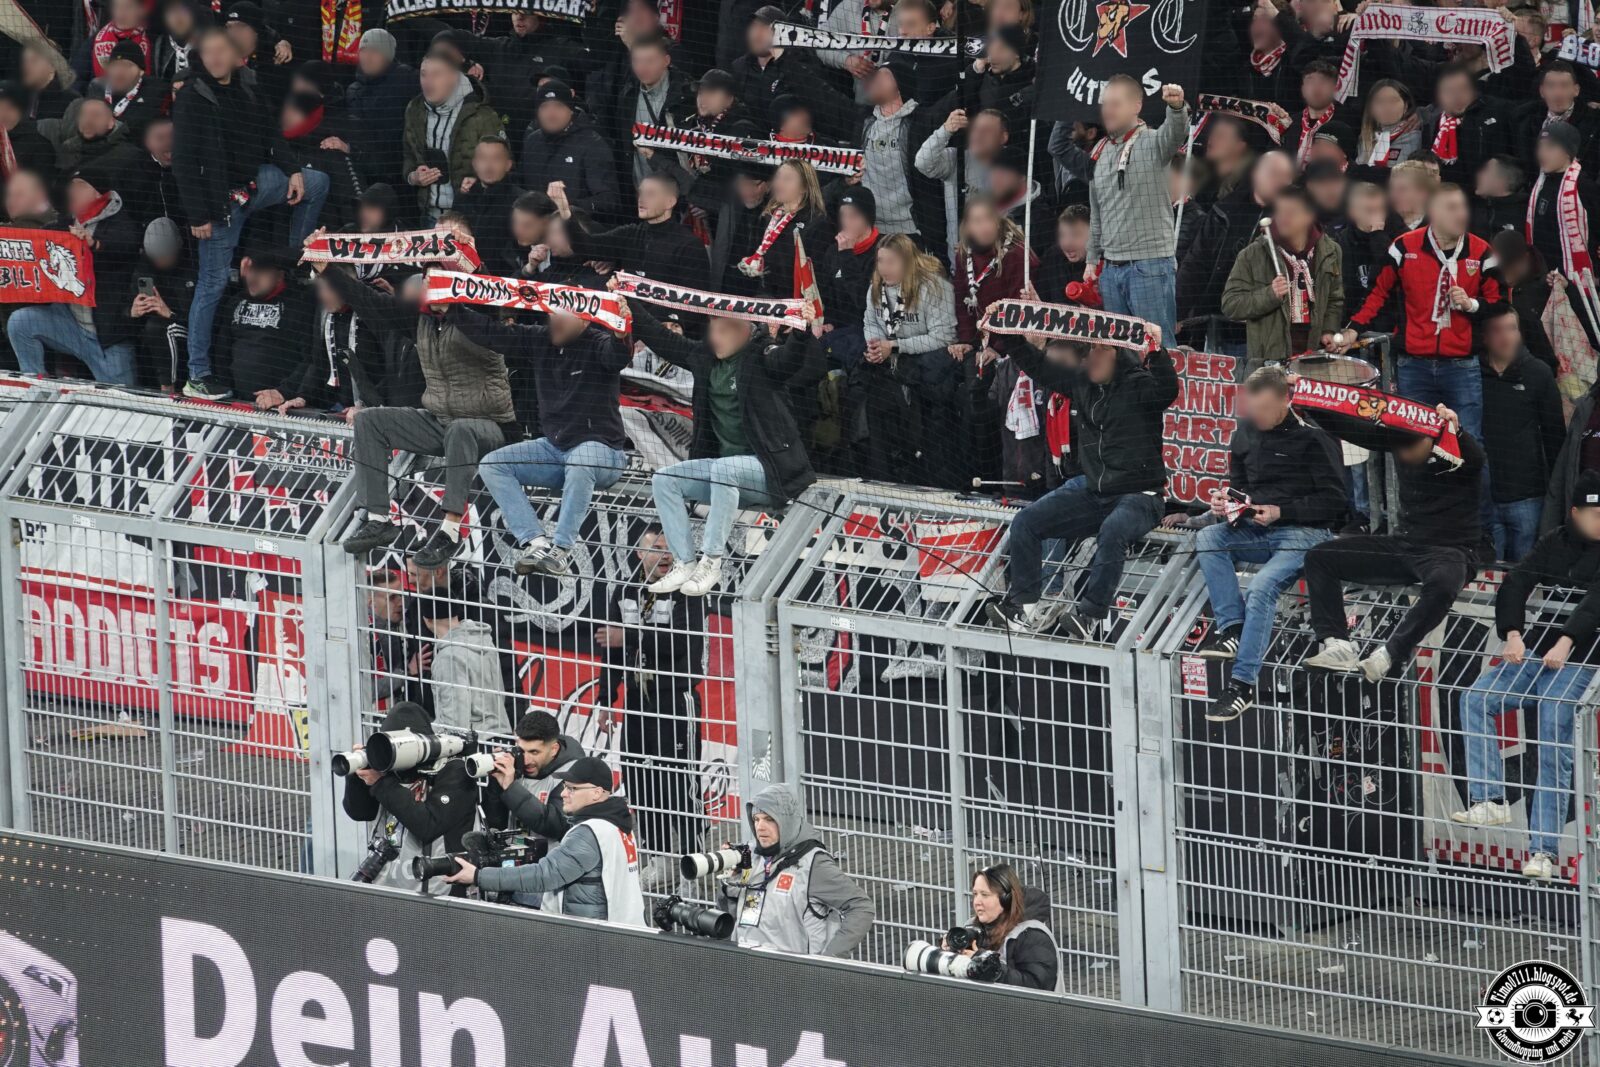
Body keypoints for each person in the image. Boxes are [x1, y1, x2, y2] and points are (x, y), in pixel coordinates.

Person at [311, 222, 518, 569]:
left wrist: (472, 261)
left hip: (489, 427)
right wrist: (328, 269)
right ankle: (378, 518)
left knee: (462, 429)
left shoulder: (479, 316)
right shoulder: (418, 319)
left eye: (440, 278)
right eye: (428, 278)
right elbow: (370, 301)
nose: (431, 285)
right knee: (371, 421)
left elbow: (487, 291)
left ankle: (450, 531)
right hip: (439, 421)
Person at [986, 317, 1178, 637]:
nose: (1091, 357)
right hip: (1093, 492)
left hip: (1140, 495)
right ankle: (1024, 607)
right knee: (1026, 522)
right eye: (1089, 351)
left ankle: (1089, 613)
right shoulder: (1081, 381)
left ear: (1117, 353)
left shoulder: (1140, 383)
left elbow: (1168, 389)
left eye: (1100, 351)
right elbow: (1037, 366)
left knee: (1113, 529)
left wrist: (1157, 350)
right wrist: (1009, 332)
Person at [1451, 471, 1600, 880]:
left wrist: (1567, 642)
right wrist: (1513, 634)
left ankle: (1544, 852)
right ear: (1575, 513)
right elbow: (1516, 581)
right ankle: (1491, 799)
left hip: (1587, 654)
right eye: (1595, 513)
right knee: (1476, 698)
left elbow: (1595, 603)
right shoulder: (1556, 540)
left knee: (1552, 726)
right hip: (1540, 645)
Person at [172, 26, 329, 400]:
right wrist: (198, 217)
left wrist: (292, 171)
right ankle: (198, 375)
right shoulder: (193, 97)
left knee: (317, 182)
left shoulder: (248, 84)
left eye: (219, 50)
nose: (213, 58)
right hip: (219, 206)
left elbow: (271, 136)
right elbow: (182, 163)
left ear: (234, 53)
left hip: (254, 186)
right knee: (210, 285)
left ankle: (297, 263)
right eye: (207, 51)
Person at [627, 294, 819, 594]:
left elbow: (788, 362)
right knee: (666, 480)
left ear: (743, 330)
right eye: (711, 329)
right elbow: (659, 336)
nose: (714, 337)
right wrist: (627, 300)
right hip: (726, 476)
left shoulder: (761, 354)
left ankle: (711, 561)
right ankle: (684, 563)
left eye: (722, 330)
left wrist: (801, 329)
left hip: (770, 472)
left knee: (724, 470)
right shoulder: (704, 357)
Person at [1193, 366, 1347, 722]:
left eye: (1264, 410)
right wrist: (1225, 503)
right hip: (1256, 528)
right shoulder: (1244, 433)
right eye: (1252, 409)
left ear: (1285, 401)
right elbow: (1239, 486)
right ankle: (1231, 630)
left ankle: (1241, 686)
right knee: (1207, 537)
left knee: (1262, 586)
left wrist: (1283, 511)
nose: (1256, 417)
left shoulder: (1316, 438)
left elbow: (1336, 505)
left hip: (1306, 533)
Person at [1302, 404, 1487, 682]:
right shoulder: (1400, 442)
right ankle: (1337, 644)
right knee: (1320, 557)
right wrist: (1308, 402)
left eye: (1410, 446)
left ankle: (1390, 653)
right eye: (1398, 447)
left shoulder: (1459, 455)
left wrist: (1456, 431)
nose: (1402, 453)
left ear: (1431, 437)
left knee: (1444, 584)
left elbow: (1477, 456)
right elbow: (1353, 430)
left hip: (1451, 549)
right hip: (1405, 544)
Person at [457, 306, 632, 578]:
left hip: (605, 453)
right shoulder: (541, 338)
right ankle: (536, 543)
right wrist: (452, 309)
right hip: (556, 450)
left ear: (584, 319)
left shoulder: (598, 343)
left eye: (563, 316)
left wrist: (622, 336)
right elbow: (493, 334)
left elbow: (616, 355)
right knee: (493, 464)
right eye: (552, 314)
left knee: (582, 459)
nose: (554, 321)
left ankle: (560, 550)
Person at [1330, 184, 1502, 440]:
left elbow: (1500, 302)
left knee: (1468, 443)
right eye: (1452, 208)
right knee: (1413, 444)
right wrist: (1353, 329)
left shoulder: (1483, 252)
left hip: (1462, 368)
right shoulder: (1403, 248)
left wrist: (1471, 305)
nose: (1462, 215)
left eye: (1463, 207)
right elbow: (1377, 294)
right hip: (1413, 367)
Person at [595, 526, 707, 888]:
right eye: (657, 548)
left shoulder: (689, 589)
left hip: (676, 698)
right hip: (636, 700)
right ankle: (659, 857)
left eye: (671, 548)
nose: (666, 556)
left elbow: (679, 641)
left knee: (678, 781)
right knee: (640, 779)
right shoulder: (625, 591)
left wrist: (626, 635)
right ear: (639, 554)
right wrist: (606, 699)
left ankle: (696, 859)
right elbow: (609, 649)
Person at [445, 755, 648, 927]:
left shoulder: (590, 833)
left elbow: (544, 876)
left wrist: (479, 876)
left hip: (595, 938)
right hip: (621, 928)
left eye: (572, 789)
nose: (563, 794)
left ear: (596, 792)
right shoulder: (616, 823)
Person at [7, 165, 140, 384]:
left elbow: (127, 244)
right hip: (70, 325)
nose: (72, 191)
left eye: (79, 186)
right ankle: (33, 386)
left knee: (126, 399)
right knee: (21, 322)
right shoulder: (64, 224)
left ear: (99, 192)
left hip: (108, 337)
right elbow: (33, 243)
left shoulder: (122, 223)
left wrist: (94, 244)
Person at [713, 783, 875, 957]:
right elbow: (735, 915)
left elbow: (861, 907)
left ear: (786, 821)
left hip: (795, 977)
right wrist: (730, 882)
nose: (760, 827)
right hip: (747, 967)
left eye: (769, 819)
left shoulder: (813, 864)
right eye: (756, 819)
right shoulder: (751, 856)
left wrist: (829, 961)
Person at [1083, 76, 1188, 342]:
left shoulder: (1152, 141)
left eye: (1116, 104)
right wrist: (1092, 260)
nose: (1108, 110)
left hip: (1150, 265)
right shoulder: (1100, 153)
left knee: (1158, 349)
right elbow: (1097, 213)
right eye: (1105, 104)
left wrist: (1176, 109)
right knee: (1122, 354)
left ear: (1136, 106)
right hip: (1110, 270)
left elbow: (1174, 133)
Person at [341, 701, 477, 896]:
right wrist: (357, 773)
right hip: (389, 886)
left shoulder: (454, 771)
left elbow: (428, 826)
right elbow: (359, 812)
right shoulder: (386, 768)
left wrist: (381, 783)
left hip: (439, 893)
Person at [859, 233, 959, 486]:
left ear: (908, 261)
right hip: (893, 367)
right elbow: (870, 321)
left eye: (891, 262)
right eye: (881, 261)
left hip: (929, 374)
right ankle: (884, 478)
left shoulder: (935, 288)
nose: (885, 268)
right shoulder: (876, 288)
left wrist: (893, 345)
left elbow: (944, 337)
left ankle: (936, 483)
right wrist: (874, 345)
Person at [1221, 185, 1344, 372]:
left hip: (1314, 359)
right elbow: (1231, 305)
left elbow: (1335, 299)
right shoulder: (1253, 254)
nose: (1283, 218)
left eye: (1292, 212)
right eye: (1280, 211)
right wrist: (1269, 294)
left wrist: (1328, 329)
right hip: (1268, 363)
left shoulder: (1331, 251)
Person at [1480, 304, 1565, 563]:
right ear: (1484, 336)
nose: (1506, 337)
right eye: (1497, 330)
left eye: (1511, 328)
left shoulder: (1538, 373)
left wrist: (1556, 491)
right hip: (1483, 497)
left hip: (1527, 497)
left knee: (1524, 578)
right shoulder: (1470, 374)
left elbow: (1555, 435)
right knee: (1484, 582)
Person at [553, 172, 709, 293]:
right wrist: (565, 211)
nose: (642, 199)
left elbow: (695, 297)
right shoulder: (630, 233)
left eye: (650, 194)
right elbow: (585, 246)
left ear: (670, 202)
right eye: (641, 193)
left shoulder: (689, 245)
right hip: (629, 321)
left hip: (667, 328)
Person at [402, 50, 504, 222]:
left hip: (472, 218)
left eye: (436, 74)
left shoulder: (482, 116)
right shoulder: (414, 110)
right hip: (429, 218)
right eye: (424, 75)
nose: (428, 82)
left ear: (454, 77)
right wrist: (413, 177)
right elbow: (408, 156)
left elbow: (505, 166)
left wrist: (479, 182)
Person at [943, 864, 1063, 992]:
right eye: (975, 894)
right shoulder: (972, 927)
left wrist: (987, 966)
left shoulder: (1032, 935)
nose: (977, 901)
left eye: (985, 895)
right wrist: (948, 954)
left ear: (1006, 898)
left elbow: (1036, 987)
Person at [520, 79, 618, 221]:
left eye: (558, 106)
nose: (551, 114)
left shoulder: (591, 143)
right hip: (536, 231)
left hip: (578, 232)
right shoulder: (532, 141)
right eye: (544, 107)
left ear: (570, 110)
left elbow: (609, 200)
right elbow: (521, 185)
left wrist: (566, 207)